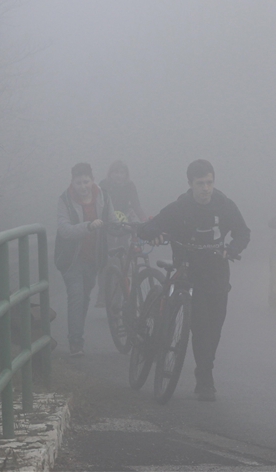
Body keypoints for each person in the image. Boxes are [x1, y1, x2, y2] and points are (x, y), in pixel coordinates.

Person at [137, 159, 250, 401]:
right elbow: (147, 228)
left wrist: (232, 248)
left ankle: (205, 368)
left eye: (209, 183)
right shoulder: (180, 207)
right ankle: (205, 379)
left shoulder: (224, 205)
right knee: (200, 326)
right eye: (200, 184)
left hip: (218, 273)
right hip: (189, 273)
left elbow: (243, 232)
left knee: (215, 327)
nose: (205, 189)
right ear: (191, 184)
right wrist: (153, 234)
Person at [55, 162, 120, 357]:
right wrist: (88, 226)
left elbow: (112, 221)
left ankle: (77, 334)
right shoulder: (64, 200)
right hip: (71, 259)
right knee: (76, 296)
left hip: (93, 258)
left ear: (92, 180)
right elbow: (64, 230)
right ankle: (76, 342)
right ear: (72, 182)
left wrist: (127, 226)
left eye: (86, 182)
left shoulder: (103, 196)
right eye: (79, 182)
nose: (83, 186)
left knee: (84, 297)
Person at [95, 161, 149, 308]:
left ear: (126, 174)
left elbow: (136, 205)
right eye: (115, 172)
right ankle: (103, 292)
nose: (119, 175)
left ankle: (121, 292)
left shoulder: (130, 186)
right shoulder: (103, 185)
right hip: (107, 227)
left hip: (124, 226)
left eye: (122, 172)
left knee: (123, 259)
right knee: (106, 260)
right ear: (110, 173)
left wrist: (145, 221)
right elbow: (98, 205)